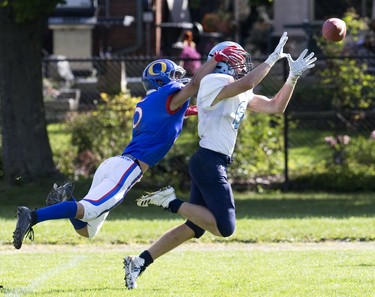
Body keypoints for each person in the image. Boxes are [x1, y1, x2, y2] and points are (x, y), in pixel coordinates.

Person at [124, 32, 317, 289]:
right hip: (208, 162)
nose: (242, 63)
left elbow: (274, 106)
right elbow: (246, 84)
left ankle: (139, 261)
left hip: (211, 161)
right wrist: (271, 59)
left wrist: (293, 77)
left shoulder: (233, 84)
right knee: (225, 228)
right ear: (223, 60)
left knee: (195, 226)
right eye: (237, 59)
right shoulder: (213, 80)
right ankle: (170, 201)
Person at [12, 45, 245, 250]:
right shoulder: (168, 96)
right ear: (162, 79)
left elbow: (173, 116)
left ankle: (67, 198)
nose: (178, 80)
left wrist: (198, 109)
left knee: (86, 230)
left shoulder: (151, 102)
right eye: (173, 75)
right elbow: (194, 83)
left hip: (115, 165)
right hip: (127, 168)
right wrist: (216, 58)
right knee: (89, 209)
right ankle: (32, 216)